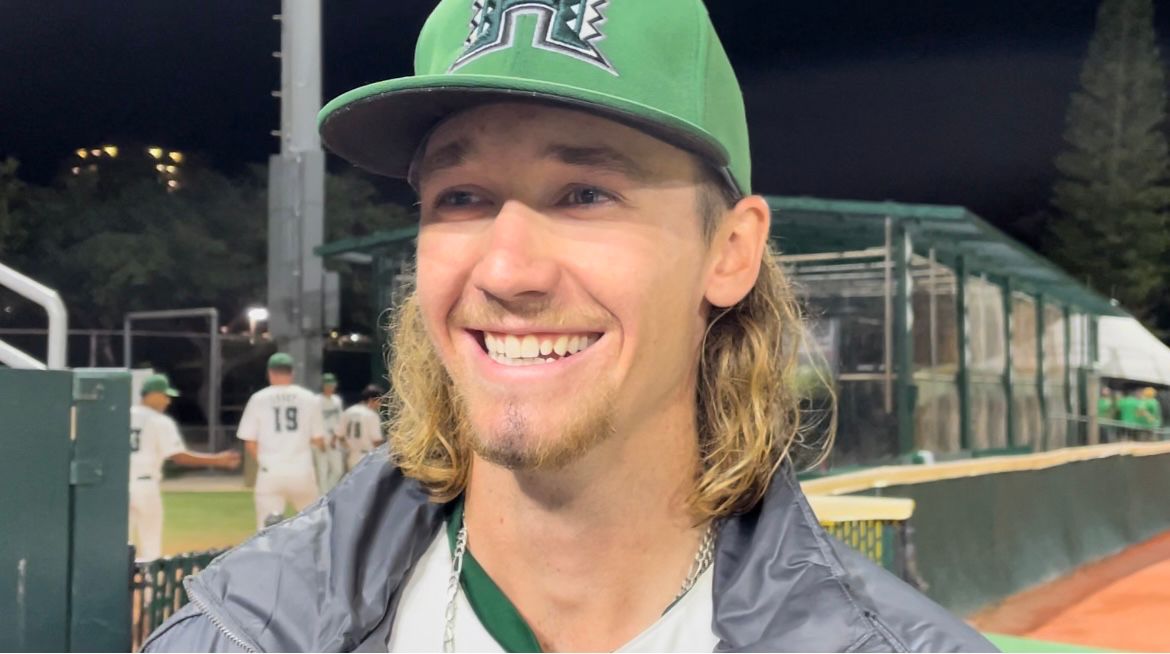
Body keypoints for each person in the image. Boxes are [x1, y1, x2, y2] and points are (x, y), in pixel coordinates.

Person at [143, 1, 993, 651]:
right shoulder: (238, 632)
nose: (508, 271)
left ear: (731, 253)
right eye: (461, 197)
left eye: (586, 194)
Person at [129, 373, 239, 561]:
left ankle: (121, 585)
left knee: (121, 543)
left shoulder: (121, 415)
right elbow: (179, 457)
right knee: (150, 544)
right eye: (165, 396)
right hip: (145, 487)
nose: (167, 402)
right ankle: (148, 586)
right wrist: (217, 460)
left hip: (117, 488)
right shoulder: (159, 421)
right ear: (153, 394)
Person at [236, 353, 326, 530]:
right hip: (302, 470)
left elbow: (250, 442)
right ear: (291, 373)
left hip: (271, 471)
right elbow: (318, 439)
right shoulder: (309, 398)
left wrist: (264, 462)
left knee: (267, 531)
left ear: (270, 373)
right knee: (312, 527)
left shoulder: (258, 398)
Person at [339, 384, 386, 471]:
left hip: (352, 456)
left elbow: (341, 438)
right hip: (367, 457)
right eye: (379, 401)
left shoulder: (348, 411)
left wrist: (351, 447)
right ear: (371, 400)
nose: (380, 404)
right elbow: (376, 442)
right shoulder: (371, 415)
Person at [314, 372, 346, 492]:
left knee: (338, 470)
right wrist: (318, 439)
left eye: (331, 385)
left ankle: (328, 493)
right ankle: (321, 497)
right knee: (322, 471)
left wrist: (338, 437)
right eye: (327, 385)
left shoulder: (337, 400)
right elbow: (313, 420)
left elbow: (340, 420)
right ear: (323, 386)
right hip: (320, 439)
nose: (329, 388)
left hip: (334, 439)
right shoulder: (316, 400)